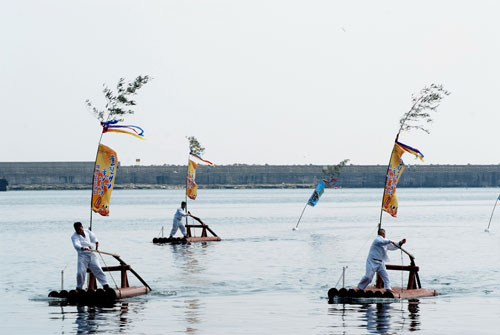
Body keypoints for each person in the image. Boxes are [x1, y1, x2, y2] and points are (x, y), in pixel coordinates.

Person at [71, 222, 109, 291]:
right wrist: (82, 247)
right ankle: (79, 287)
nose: (79, 231)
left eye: (80, 229)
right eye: (77, 230)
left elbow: (93, 237)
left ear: (82, 227)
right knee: (80, 272)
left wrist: (96, 242)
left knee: (98, 268)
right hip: (82, 255)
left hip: (91, 253)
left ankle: (105, 285)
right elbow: (76, 244)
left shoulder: (87, 231)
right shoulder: (74, 236)